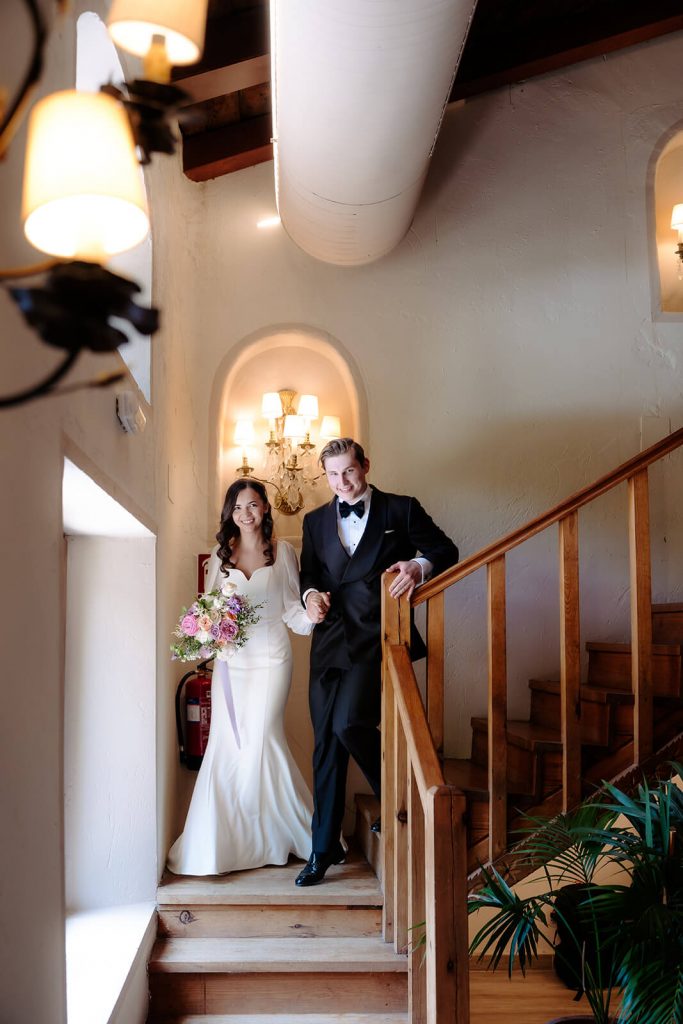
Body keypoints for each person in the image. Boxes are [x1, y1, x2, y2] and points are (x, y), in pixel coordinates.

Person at [295, 438, 458, 886]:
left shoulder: (400, 510)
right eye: (332, 474)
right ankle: (322, 849)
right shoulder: (313, 521)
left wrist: (417, 567)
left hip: (375, 639)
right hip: (328, 642)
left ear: (365, 465)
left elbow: (445, 550)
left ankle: (397, 800)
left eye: (348, 471)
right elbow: (309, 573)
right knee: (325, 746)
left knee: (350, 724)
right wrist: (310, 598)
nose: (341, 482)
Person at [167, 478, 315, 876]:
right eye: (237, 508)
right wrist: (200, 638)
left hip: (272, 659)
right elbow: (210, 610)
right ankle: (229, 841)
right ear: (229, 515)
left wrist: (312, 616)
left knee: (265, 737)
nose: (245, 514)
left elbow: (290, 610)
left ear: (266, 507)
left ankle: (289, 833)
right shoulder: (222, 557)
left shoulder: (283, 552)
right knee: (228, 744)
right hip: (233, 664)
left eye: (252, 505)